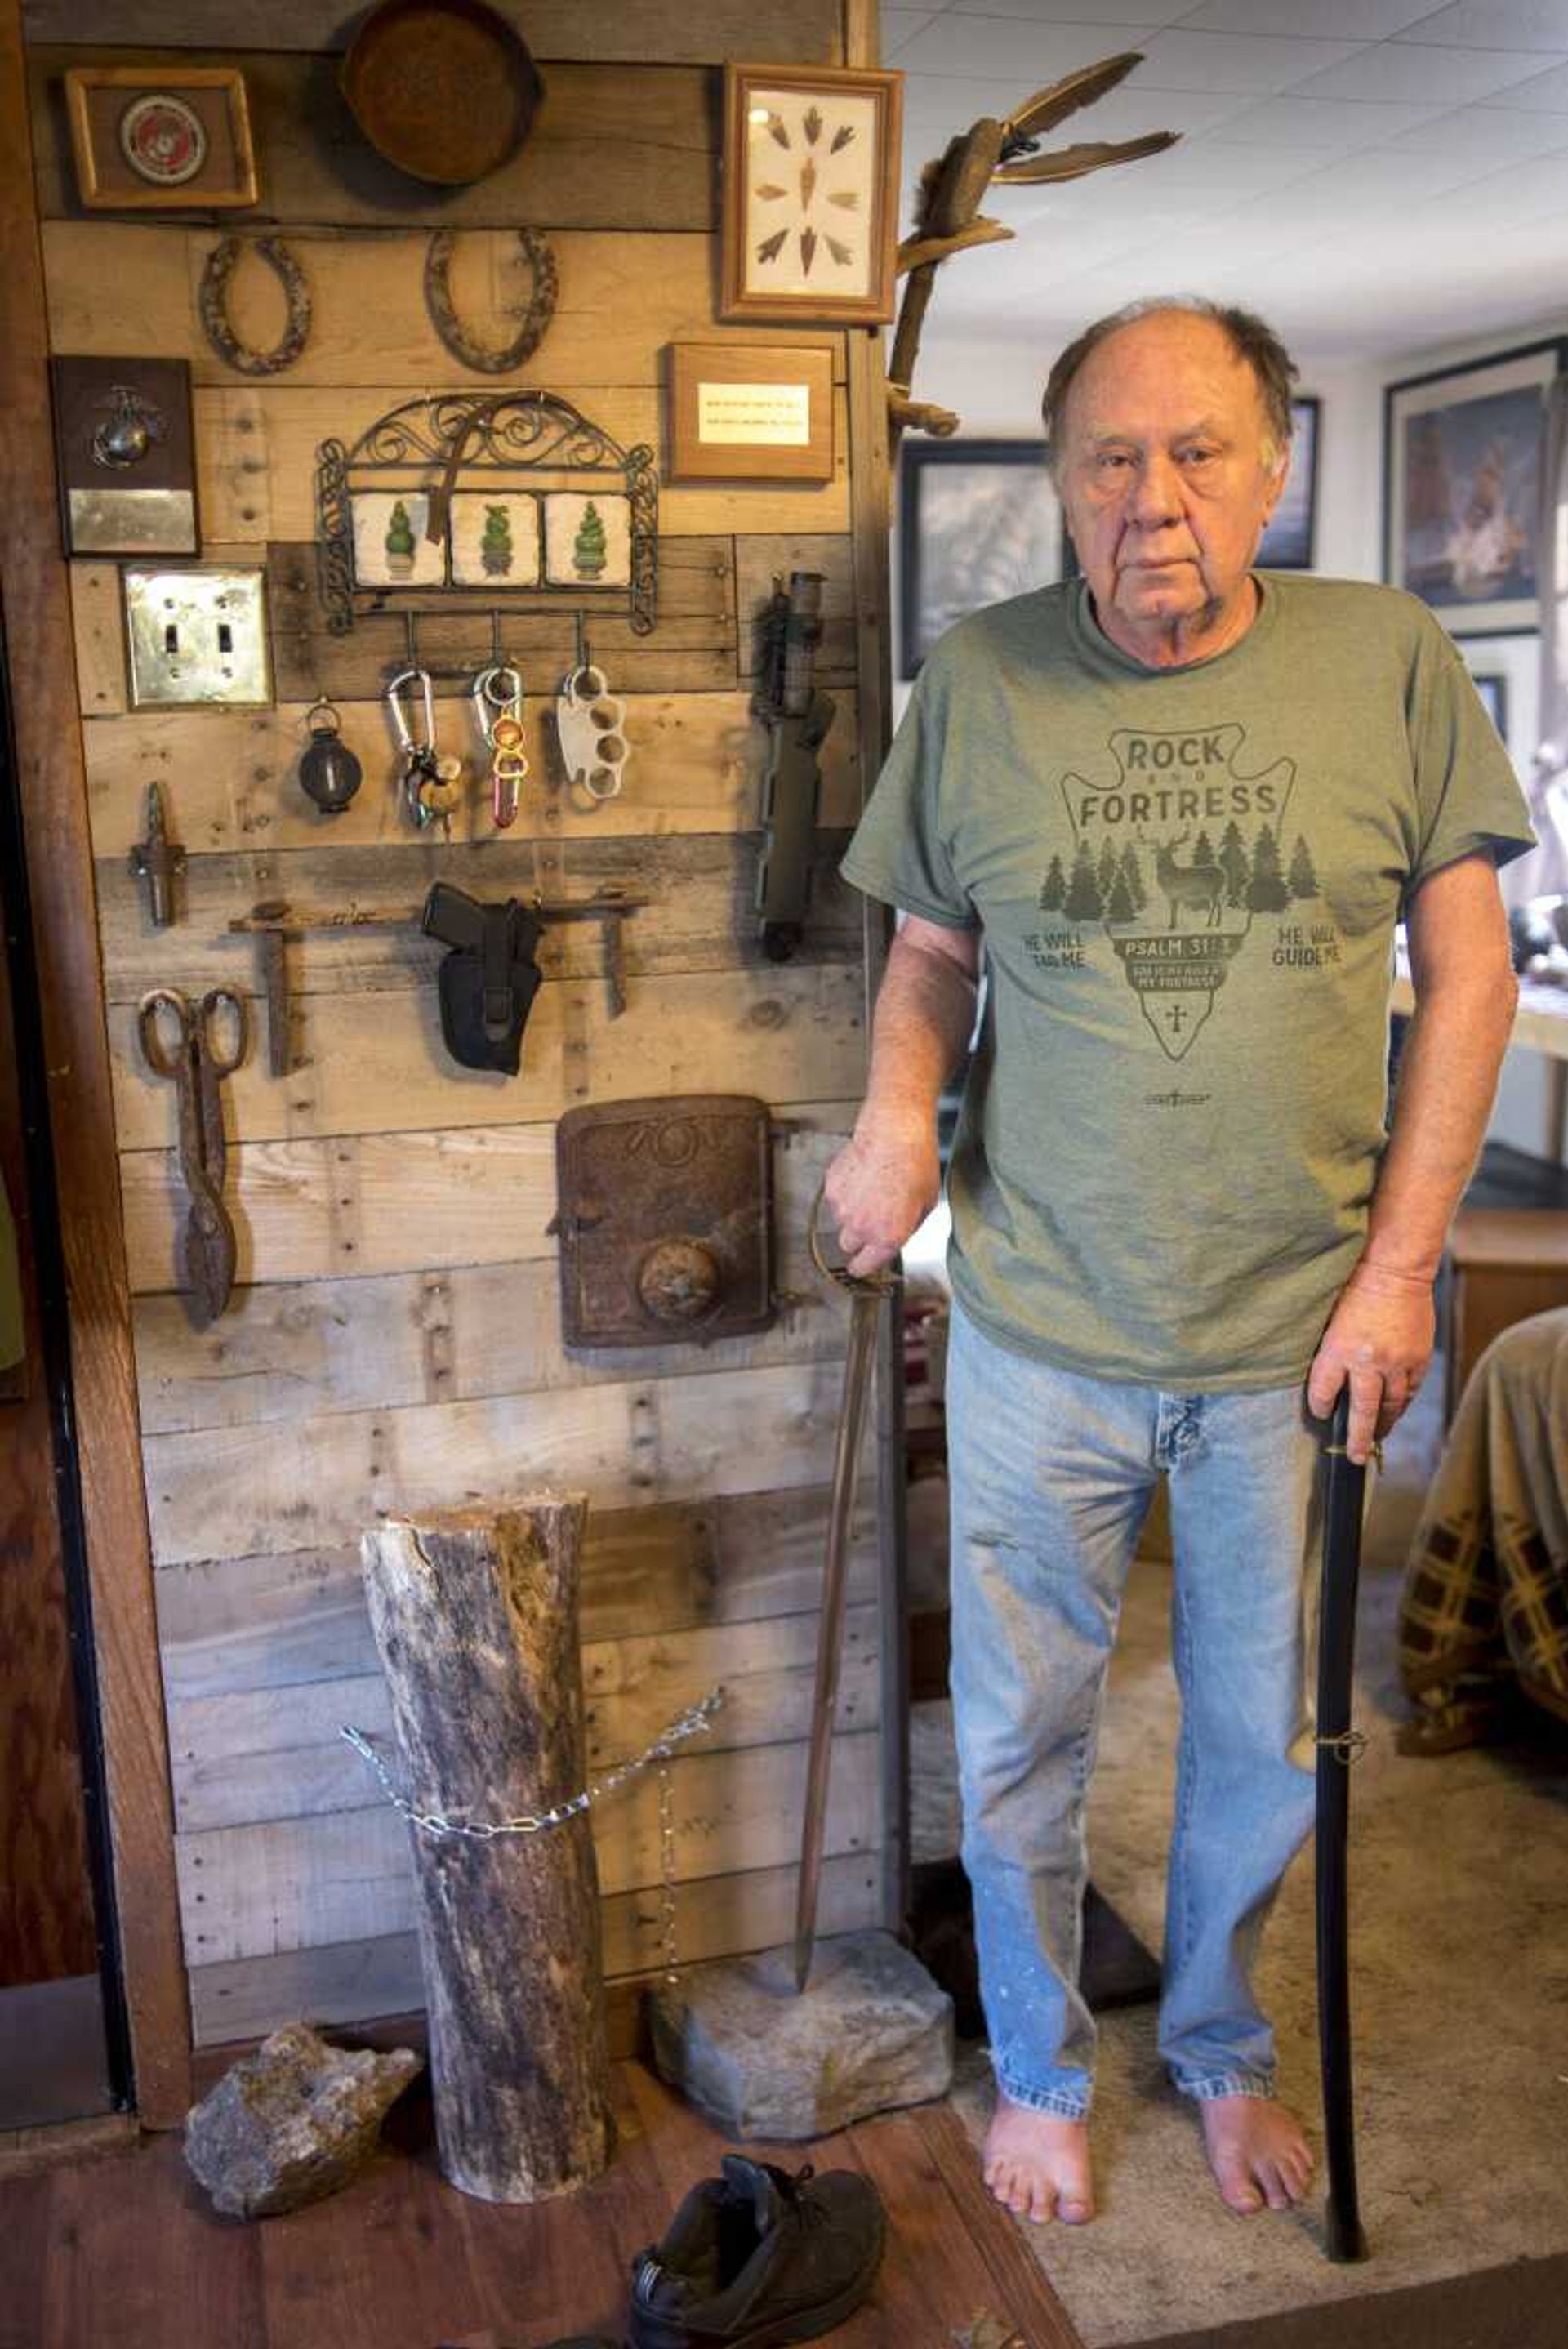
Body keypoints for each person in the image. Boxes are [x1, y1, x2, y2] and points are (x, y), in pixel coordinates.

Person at [826, 298, 1537, 2227]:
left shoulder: (1387, 663)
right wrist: (900, 1116)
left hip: (1290, 1340)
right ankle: (1043, 2060)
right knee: (1019, 1730)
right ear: (1060, 486)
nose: (1154, 500)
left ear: (1277, 466)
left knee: (1263, 1736)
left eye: (1198, 452)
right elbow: (929, 958)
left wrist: (1404, 1272)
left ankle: (1217, 2040)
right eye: (1110, 460)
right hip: (1040, 1323)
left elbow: (1471, 977)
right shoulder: (976, 681)